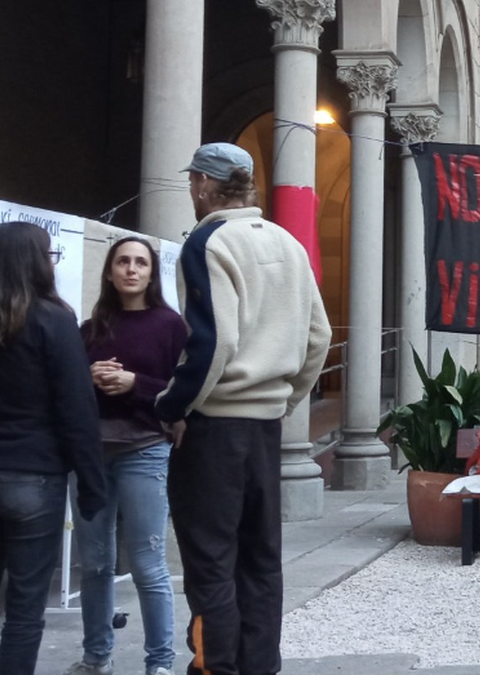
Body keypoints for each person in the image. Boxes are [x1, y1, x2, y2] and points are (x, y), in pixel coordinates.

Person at [155, 142, 331, 675]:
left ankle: (216, 668)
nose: (191, 190)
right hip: (263, 428)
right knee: (261, 560)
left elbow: (212, 343)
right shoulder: (287, 242)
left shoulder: (207, 241)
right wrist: (284, 399)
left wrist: (173, 405)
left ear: (207, 185)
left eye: (192, 182)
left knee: (211, 562)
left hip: (214, 428)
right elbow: (318, 338)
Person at [0, 221, 107, 675]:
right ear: (38, 262)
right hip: (34, 477)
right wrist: (93, 485)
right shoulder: (54, 319)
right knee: (23, 611)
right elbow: (76, 409)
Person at [66, 236, 188, 675]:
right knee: (95, 563)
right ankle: (96, 656)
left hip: (144, 448)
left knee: (147, 561)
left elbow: (183, 391)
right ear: (110, 271)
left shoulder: (170, 325)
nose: (131, 269)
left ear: (153, 273)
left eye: (140, 262)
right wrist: (89, 375)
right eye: (122, 261)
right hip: (91, 453)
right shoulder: (90, 327)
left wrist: (134, 383)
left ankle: (159, 662)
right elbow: (66, 391)